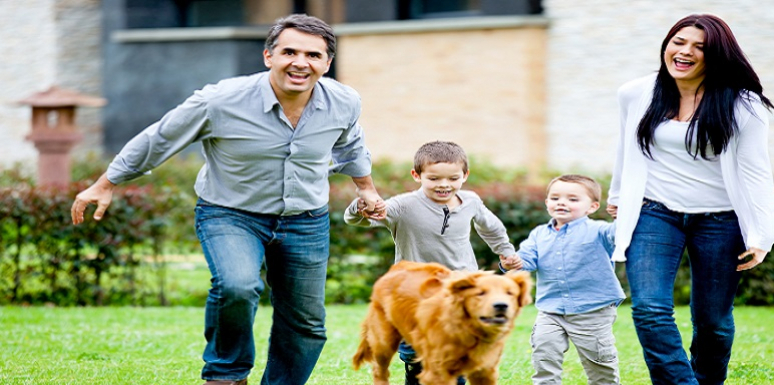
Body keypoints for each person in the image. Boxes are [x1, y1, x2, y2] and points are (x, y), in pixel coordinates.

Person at [70, 14, 386, 385]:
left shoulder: (344, 101)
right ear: (268, 55)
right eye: (290, 52)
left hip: (306, 218)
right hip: (230, 214)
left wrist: (365, 187)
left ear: (326, 63)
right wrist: (106, 182)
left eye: (313, 55)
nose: (301, 63)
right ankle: (226, 376)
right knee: (236, 285)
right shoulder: (220, 101)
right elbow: (160, 138)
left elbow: (351, 144)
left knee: (306, 323)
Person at [606, 14, 774, 385]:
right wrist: (618, 196)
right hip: (654, 212)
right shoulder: (637, 92)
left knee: (712, 321)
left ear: (717, 55)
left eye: (699, 47)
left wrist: (762, 235)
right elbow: (626, 148)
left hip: (721, 220)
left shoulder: (744, 105)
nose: (685, 52)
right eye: (679, 41)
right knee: (649, 309)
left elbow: (758, 171)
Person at [344, 140, 517, 385]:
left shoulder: (471, 202)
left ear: (465, 175)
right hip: (417, 293)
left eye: (453, 178)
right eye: (434, 178)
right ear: (417, 175)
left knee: (458, 350)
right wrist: (360, 208)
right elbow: (361, 220)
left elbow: (491, 228)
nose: (444, 185)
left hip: (460, 290)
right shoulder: (403, 206)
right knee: (417, 356)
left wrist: (505, 252)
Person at [500, 174, 625, 385]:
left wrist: (622, 216)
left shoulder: (600, 230)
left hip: (592, 311)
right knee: (544, 354)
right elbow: (526, 261)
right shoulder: (539, 234)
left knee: (599, 364)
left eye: (573, 199)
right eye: (555, 198)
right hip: (551, 310)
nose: (562, 203)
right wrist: (510, 263)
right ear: (547, 202)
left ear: (592, 207)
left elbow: (620, 234)